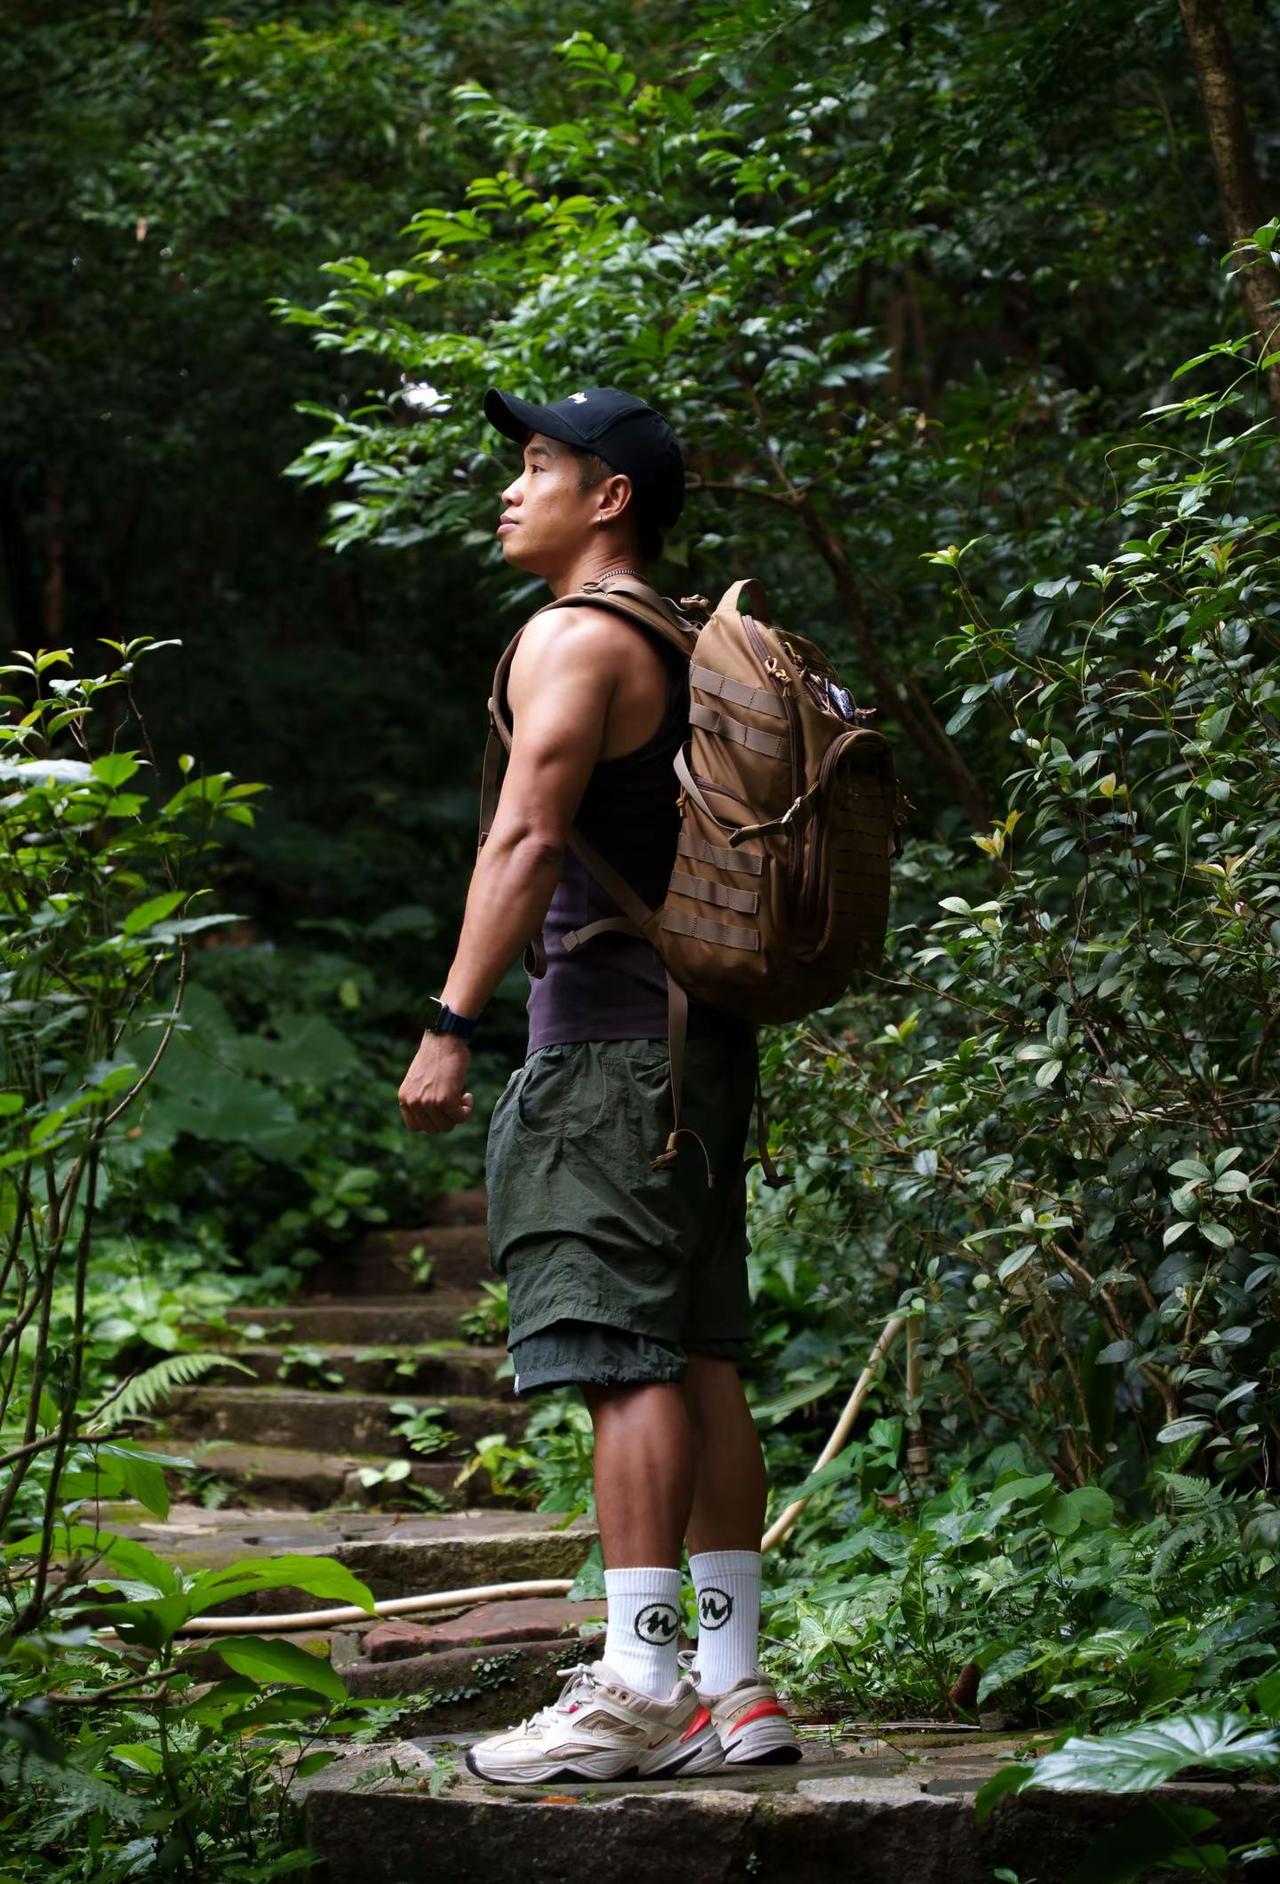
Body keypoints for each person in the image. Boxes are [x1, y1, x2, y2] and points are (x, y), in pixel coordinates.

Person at [398, 385, 800, 1784]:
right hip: (700, 1045)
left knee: (618, 1353)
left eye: (536, 466)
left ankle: (634, 1683)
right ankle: (735, 1688)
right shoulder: (684, 641)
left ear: (608, 497)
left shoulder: (573, 637)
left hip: (613, 1051)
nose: (512, 493)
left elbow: (525, 837)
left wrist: (452, 1021)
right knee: (697, 1351)